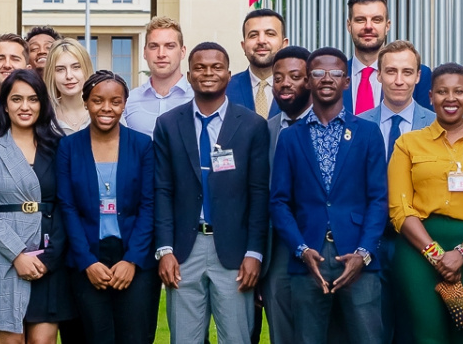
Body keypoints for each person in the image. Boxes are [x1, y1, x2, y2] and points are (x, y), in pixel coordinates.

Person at [268, 47, 388, 344]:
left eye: (335, 73)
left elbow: (378, 199)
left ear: (346, 82)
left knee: (368, 338)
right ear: (307, 81)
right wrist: (300, 248)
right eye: (318, 73)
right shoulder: (290, 137)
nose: (326, 79)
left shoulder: (368, 133)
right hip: (309, 257)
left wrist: (364, 253)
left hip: (358, 256)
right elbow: (279, 201)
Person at [152, 42, 269, 344]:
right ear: (189, 76)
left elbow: (258, 195)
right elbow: (162, 191)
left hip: (234, 252)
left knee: (236, 338)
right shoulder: (167, 124)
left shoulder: (252, 125)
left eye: (216, 67)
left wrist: (254, 252)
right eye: (200, 68)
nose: (208, 73)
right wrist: (164, 249)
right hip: (183, 252)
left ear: (229, 75)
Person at [387, 62, 463, 343]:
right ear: (430, 97)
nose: (450, 98)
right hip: (421, 251)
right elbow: (400, 208)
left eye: (458, 91)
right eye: (442, 92)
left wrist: (462, 252)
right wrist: (436, 254)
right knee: (428, 335)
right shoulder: (408, 144)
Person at [58, 70, 159, 344]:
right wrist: (87, 261)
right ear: (86, 102)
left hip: (133, 257)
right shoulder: (68, 147)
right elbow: (67, 208)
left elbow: (149, 206)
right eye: (97, 100)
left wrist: (132, 259)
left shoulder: (142, 145)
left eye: (115, 101)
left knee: (135, 336)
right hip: (88, 257)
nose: (106, 108)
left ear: (124, 104)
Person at [0, 67, 72, 343]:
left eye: (33, 99)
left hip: (48, 256)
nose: (25, 107)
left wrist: (50, 257)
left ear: (42, 103)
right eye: (16, 99)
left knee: (42, 340)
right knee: (11, 340)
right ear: (5, 104)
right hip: (4, 256)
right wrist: (17, 255)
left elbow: (68, 205)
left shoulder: (59, 146)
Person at [256, 45, 312, 343]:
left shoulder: (333, 127)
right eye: (278, 78)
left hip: (323, 244)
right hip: (276, 250)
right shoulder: (263, 131)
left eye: (294, 76)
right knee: (281, 332)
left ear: (311, 80)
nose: (285, 83)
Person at [344, 0, 431, 114]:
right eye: (360, 20)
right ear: (349, 25)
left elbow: (429, 127)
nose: (368, 26)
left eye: (377, 20)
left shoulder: (421, 76)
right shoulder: (336, 77)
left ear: (387, 26)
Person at [122, 17, 191, 135]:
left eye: (170, 46)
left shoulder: (197, 100)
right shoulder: (128, 102)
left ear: (183, 52)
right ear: (144, 52)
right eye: (154, 46)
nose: (161, 54)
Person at [358, 41, 436, 127]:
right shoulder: (359, 124)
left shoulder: (437, 124)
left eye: (407, 72)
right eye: (391, 72)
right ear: (379, 75)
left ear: (418, 76)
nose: (399, 81)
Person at [229, 9, 289, 118]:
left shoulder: (302, 90)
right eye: (253, 35)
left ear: (284, 44)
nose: (261, 41)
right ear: (243, 45)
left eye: (270, 34)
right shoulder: (226, 89)